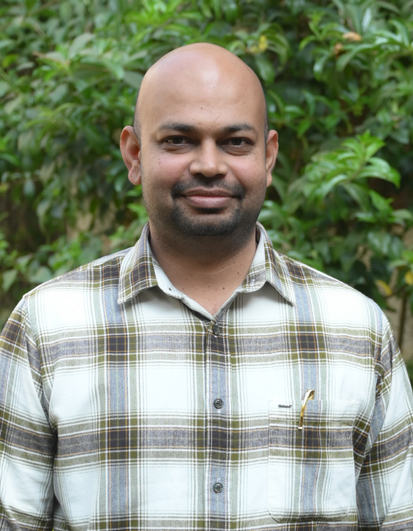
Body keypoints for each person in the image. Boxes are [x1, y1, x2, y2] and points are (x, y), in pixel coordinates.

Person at [0, 43, 412, 531]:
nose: (210, 165)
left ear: (268, 156)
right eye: (179, 140)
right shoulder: (47, 328)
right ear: (134, 154)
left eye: (235, 142)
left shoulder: (355, 331)